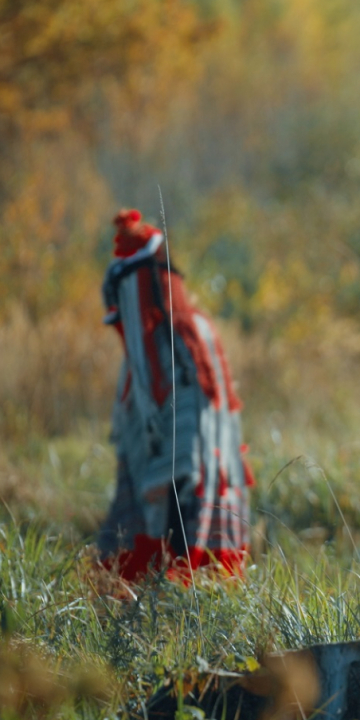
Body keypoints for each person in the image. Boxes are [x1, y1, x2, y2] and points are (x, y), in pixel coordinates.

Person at [96, 209, 252, 583]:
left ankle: (178, 608)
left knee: (185, 561)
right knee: (130, 561)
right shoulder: (151, 343)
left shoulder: (184, 337)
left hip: (191, 479)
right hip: (164, 478)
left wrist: (171, 467)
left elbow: (197, 418)